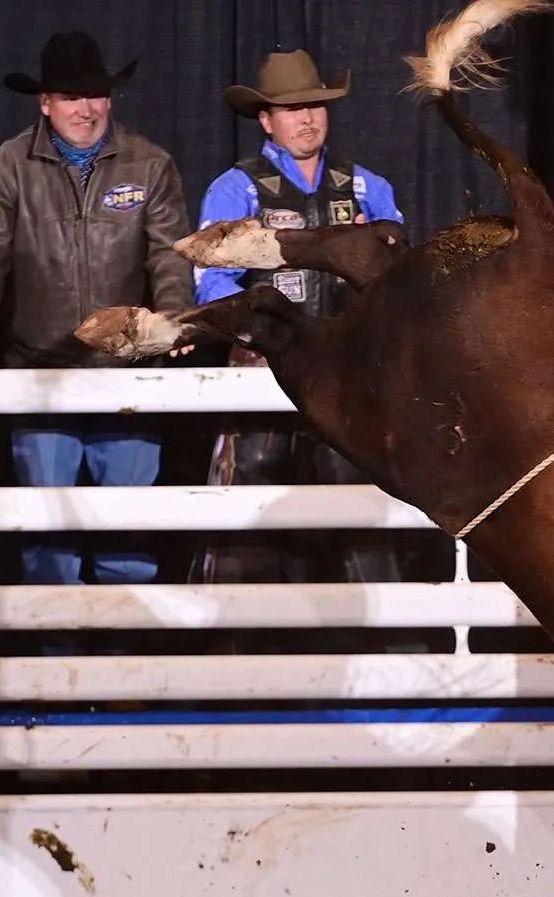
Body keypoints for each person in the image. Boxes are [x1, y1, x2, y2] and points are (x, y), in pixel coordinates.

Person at [0, 31, 194, 598]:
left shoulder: (150, 164)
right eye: (71, 97)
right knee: (46, 542)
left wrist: (177, 317)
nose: (87, 109)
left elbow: (169, 254)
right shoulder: (6, 165)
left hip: (127, 377)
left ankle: (120, 675)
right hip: (42, 375)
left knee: (128, 535)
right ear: (45, 102)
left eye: (97, 95)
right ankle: (54, 677)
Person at [191, 49, 409, 596]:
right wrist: (259, 336)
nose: (306, 117)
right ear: (266, 120)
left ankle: (383, 640)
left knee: (360, 507)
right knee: (253, 508)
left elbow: (402, 275)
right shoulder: (236, 189)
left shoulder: (365, 187)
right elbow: (211, 282)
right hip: (265, 372)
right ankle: (238, 645)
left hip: (346, 372)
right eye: (292, 109)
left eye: (314, 105)